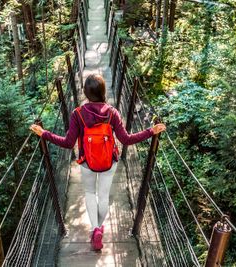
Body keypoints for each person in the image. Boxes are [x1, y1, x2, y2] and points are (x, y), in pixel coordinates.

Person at [30, 74, 166, 251]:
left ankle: (95, 228)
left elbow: (68, 143)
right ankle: (99, 228)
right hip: (109, 161)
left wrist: (44, 133)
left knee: (89, 193)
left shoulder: (78, 114)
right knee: (103, 196)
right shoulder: (112, 113)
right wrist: (150, 131)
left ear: (86, 93)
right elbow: (126, 139)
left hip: (87, 161)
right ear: (103, 91)